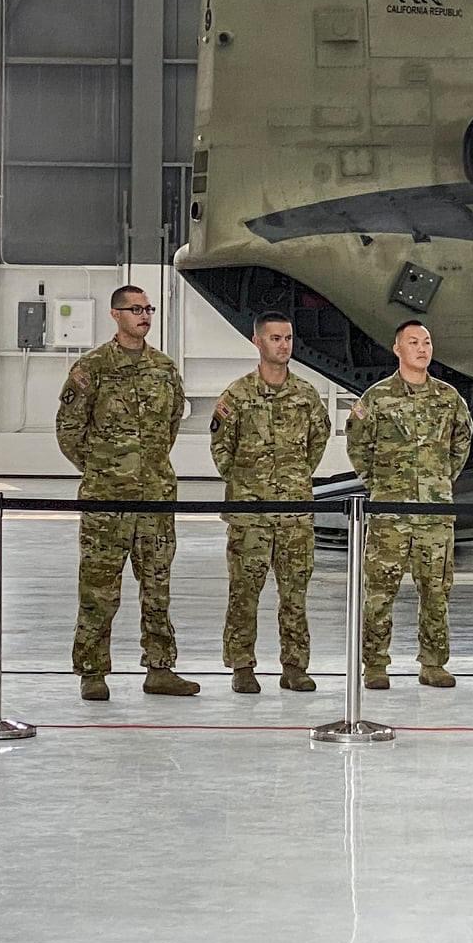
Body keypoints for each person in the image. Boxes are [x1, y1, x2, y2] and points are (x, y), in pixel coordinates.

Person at [56, 285, 198, 700]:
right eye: (135, 309)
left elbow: (171, 424)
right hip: (106, 499)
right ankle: (93, 672)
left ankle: (160, 668)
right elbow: (68, 430)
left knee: (157, 586)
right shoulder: (92, 368)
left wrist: (146, 468)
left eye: (148, 309)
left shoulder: (164, 368)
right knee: (99, 588)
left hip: (155, 497)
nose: (144, 315)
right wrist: (103, 469)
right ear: (115, 315)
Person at [347, 319, 473, 690]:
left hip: (435, 514)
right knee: (380, 591)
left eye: (427, 342)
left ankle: (433, 663)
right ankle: (375, 664)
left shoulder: (449, 398)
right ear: (397, 349)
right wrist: (382, 485)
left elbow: (461, 444)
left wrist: (440, 482)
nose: (422, 348)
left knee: (436, 592)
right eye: (414, 342)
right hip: (390, 514)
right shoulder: (376, 398)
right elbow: (358, 447)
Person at [210, 311, 331, 694]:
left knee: (295, 593)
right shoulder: (237, 395)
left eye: (288, 338)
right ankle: (242, 665)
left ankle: (294, 666)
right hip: (251, 514)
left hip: (295, 512)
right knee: (244, 592)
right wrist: (250, 484)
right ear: (257, 342)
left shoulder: (307, 395)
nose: (284, 345)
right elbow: (221, 451)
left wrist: (291, 480)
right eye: (275, 338)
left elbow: (316, 445)